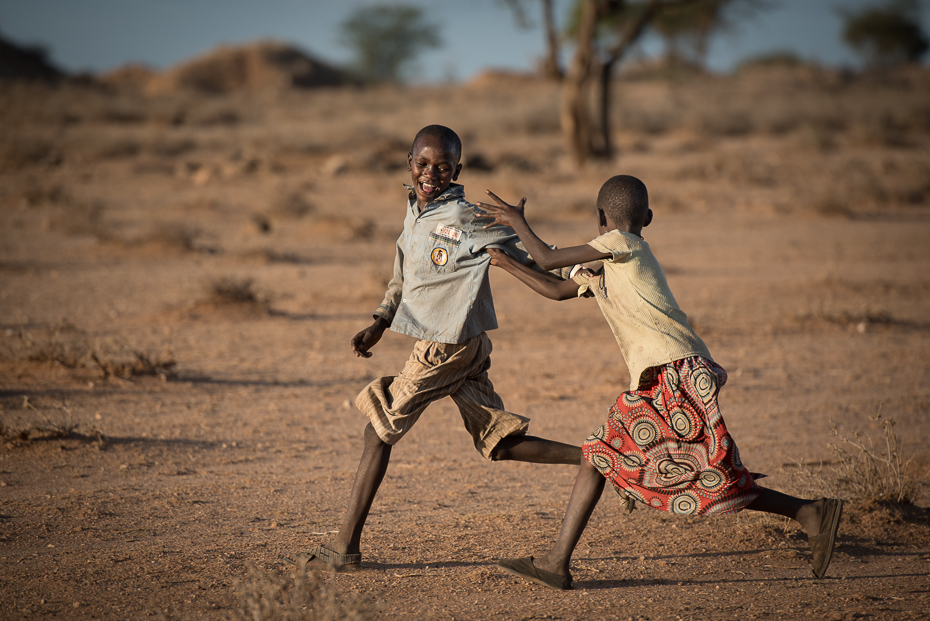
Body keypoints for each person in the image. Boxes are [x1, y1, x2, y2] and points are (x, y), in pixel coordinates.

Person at [474, 175, 843, 590]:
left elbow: (544, 258)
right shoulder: (616, 262)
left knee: (629, 457)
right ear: (648, 216)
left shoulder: (623, 246)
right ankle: (809, 513)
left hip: (674, 372)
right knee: (641, 461)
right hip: (669, 375)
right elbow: (558, 289)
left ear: (601, 218)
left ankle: (557, 562)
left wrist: (516, 220)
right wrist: (506, 264)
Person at [288, 125, 582, 571]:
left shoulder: (467, 217)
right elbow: (403, 271)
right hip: (465, 346)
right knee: (498, 441)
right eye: (423, 164)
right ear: (409, 163)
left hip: (446, 347)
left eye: (443, 166)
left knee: (378, 430)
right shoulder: (415, 211)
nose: (432, 173)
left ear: (457, 170)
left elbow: (536, 254)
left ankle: (344, 548)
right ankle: (599, 460)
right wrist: (380, 321)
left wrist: (595, 270)